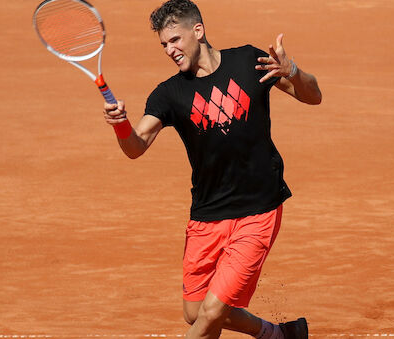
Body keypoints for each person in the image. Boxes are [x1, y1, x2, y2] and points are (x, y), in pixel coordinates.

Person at [103, 0, 322, 338]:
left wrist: (292, 70)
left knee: (210, 313)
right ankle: (279, 335)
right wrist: (121, 125)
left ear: (198, 31)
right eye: (164, 44)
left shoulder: (249, 61)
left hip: (257, 209)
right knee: (194, 312)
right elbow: (136, 146)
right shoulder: (169, 94)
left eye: (175, 40)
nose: (169, 50)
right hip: (207, 214)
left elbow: (313, 96)